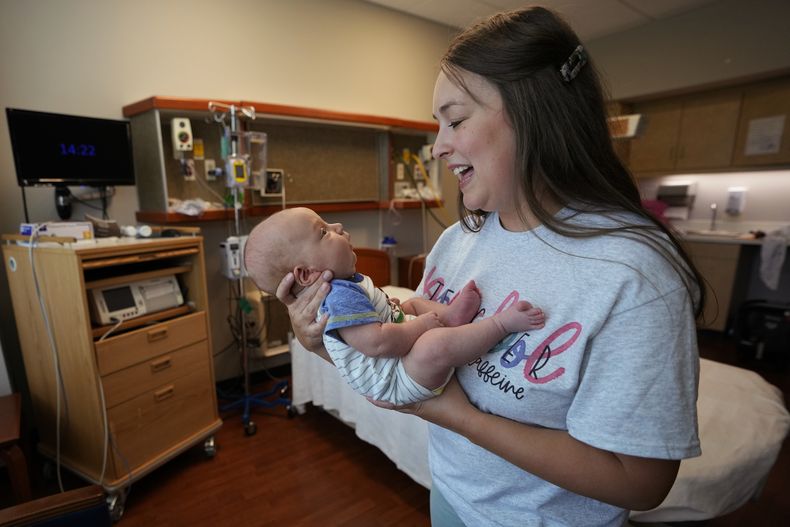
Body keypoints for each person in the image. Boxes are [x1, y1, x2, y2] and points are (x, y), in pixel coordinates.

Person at [276, 6, 705, 526]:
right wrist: (322, 340)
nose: (437, 147)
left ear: (536, 112)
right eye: (438, 125)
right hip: (452, 497)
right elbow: (389, 363)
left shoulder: (632, 275)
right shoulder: (457, 243)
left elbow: (640, 482)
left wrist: (453, 414)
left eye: (455, 119)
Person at [245, 206, 546, 405]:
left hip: (395, 356)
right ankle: (500, 325)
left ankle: (453, 315)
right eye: (323, 232)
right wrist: (422, 326)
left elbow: (385, 317)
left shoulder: (345, 285)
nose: (337, 225)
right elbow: (376, 343)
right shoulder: (337, 297)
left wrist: (410, 315)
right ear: (306, 274)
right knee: (432, 345)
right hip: (393, 378)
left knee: (412, 303)